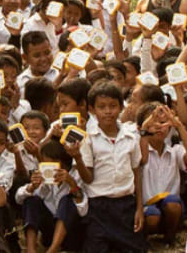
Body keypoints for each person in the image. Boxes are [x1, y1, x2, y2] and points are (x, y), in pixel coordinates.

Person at [72, 84, 146, 252]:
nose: (108, 111)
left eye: (113, 106)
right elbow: (88, 178)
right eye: (101, 107)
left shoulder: (130, 138)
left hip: (125, 205)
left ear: (121, 108)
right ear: (92, 110)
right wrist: (77, 157)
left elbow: (136, 172)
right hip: (99, 207)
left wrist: (139, 208)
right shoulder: (88, 139)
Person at [136, 103, 187, 242]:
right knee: (152, 216)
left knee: (173, 203)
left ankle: (170, 236)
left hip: (170, 206)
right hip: (147, 207)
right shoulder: (139, 149)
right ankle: (143, 238)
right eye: (153, 122)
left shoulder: (175, 151)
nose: (159, 126)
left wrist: (179, 126)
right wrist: (145, 130)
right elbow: (141, 158)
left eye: (163, 122)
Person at [19, 139, 88, 253]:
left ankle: (52, 250)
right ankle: (31, 249)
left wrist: (72, 184)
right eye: (45, 163)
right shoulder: (44, 176)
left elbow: (83, 210)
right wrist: (32, 186)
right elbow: (19, 198)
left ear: (62, 162)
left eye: (52, 162)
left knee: (67, 200)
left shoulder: (76, 175)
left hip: (72, 232)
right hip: (49, 230)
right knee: (31, 200)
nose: (49, 166)